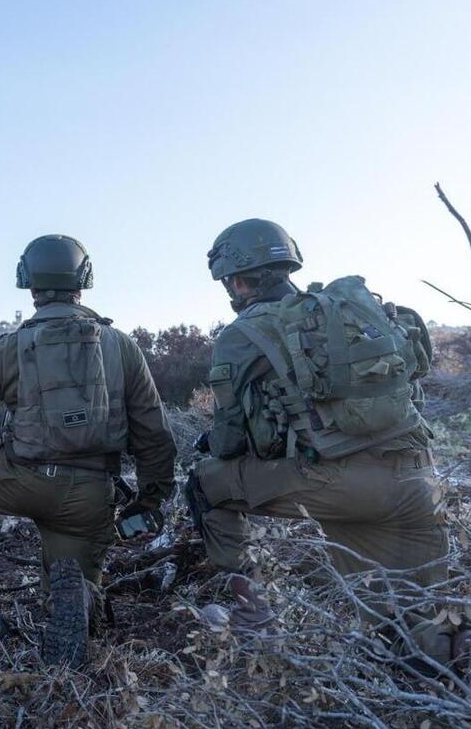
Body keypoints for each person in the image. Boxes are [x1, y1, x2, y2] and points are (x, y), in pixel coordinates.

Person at [188, 218, 462, 670]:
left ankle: (256, 623)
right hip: (418, 479)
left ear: (237, 281)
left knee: (205, 484)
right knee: (416, 628)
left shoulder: (242, 334)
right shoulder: (345, 317)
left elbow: (229, 439)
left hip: (342, 487)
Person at [0, 234, 178, 667]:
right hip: (90, 495)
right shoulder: (122, 345)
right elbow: (155, 437)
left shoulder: (7, 347)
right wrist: (150, 500)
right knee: (75, 583)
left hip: (18, 479)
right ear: (83, 281)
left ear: (28, 285)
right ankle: (78, 597)